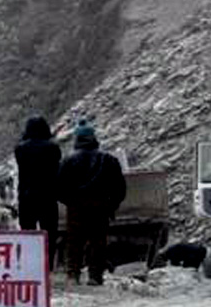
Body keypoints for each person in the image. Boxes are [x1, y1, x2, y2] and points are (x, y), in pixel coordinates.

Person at [57, 120, 126, 286]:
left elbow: (58, 188)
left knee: (74, 242)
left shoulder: (68, 161)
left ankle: (73, 274)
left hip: (76, 207)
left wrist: (70, 202)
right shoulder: (109, 160)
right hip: (100, 207)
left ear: (77, 139)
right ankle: (95, 276)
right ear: (94, 138)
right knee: (98, 242)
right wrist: (112, 205)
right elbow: (120, 188)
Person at [13, 116, 62, 257]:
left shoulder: (20, 149)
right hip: (48, 197)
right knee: (50, 233)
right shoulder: (53, 148)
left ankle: (31, 266)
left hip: (27, 197)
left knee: (28, 234)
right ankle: (48, 267)